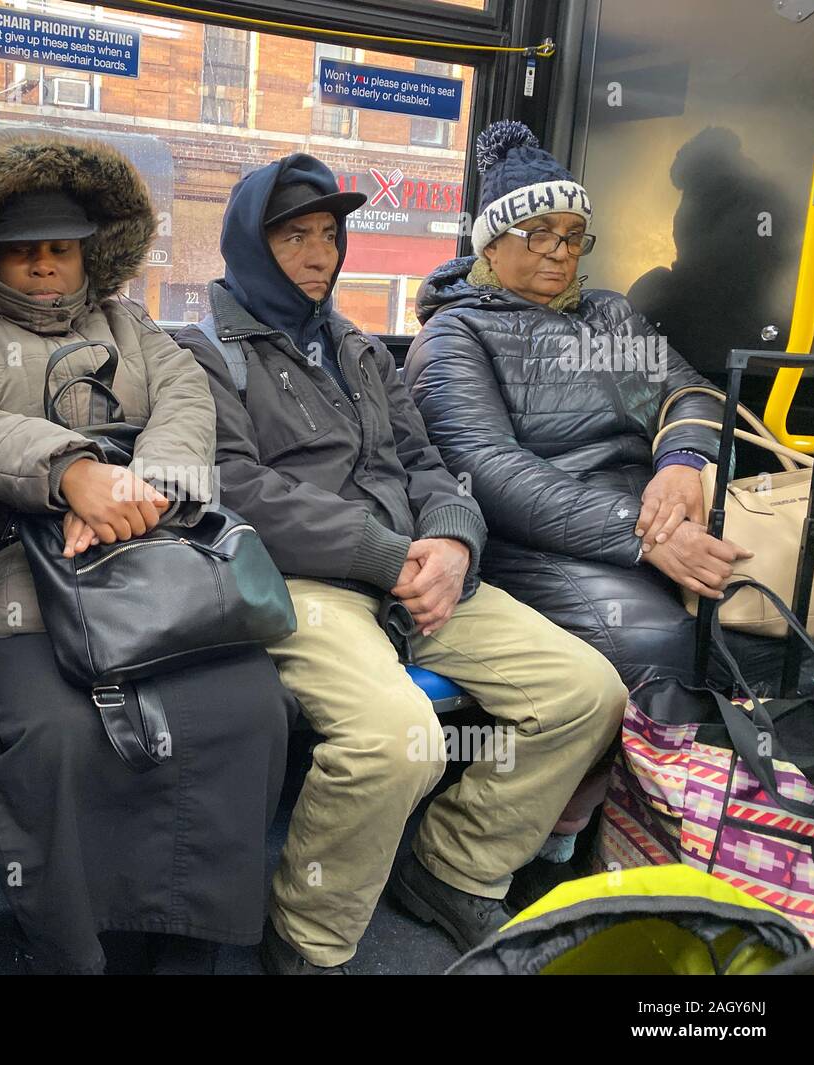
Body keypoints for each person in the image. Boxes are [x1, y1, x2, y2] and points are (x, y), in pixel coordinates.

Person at [174, 152, 627, 974]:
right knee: (399, 736)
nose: (319, 257)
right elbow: (236, 487)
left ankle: (453, 864)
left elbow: (425, 462)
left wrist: (454, 540)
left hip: (418, 570)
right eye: (294, 239)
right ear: (248, 246)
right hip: (302, 581)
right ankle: (310, 936)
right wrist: (388, 556)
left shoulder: (358, 350)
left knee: (586, 691)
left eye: (329, 236)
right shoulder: (203, 354)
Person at [0, 134, 296, 975]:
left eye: (62, 248)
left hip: (152, 565)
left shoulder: (139, 326)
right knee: (57, 737)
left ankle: (189, 944)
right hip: (17, 589)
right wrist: (72, 473)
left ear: (90, 253)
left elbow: (188, 404)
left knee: (248, 707)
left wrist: (135, 492)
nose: (45, 266)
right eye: (22, 251)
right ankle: (74, 949)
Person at [403, 120, 791, 693]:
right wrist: (643, 535)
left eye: (573, 235)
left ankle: (758, 776)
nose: (560, 253)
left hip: (664, 509)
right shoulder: (455, 334)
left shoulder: (610, 314)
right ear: (490, 243)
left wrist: (682, 461)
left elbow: (692, 393)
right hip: (539, 541)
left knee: (774, 610)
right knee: (666, 644)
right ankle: (658, 778)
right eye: (538, 234)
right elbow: (485, 470)